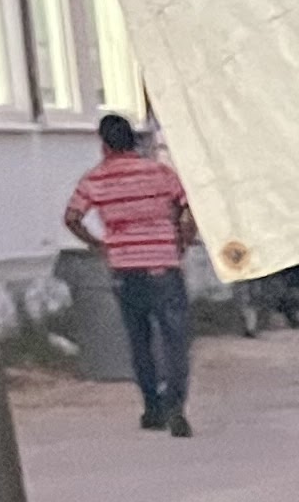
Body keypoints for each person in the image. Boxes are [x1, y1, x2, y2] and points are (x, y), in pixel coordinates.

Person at [63, 112, 199, 437]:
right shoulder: (159, 173)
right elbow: (188, 205)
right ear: (134, 141)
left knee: (140, 340)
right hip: (164, 265)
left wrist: (99, 244)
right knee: (175, 339)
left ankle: (152, 408)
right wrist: (183, 240)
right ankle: (175, 406)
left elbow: (72, 217)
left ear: (104, 145)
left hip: (125, 269)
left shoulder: (96, 179)